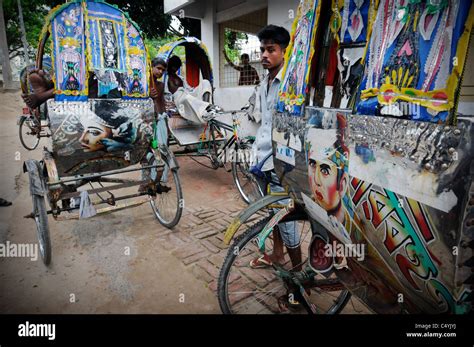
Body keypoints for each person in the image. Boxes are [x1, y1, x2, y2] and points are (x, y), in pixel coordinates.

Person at [249, 25, 303, 281]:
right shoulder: (265, 81)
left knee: (287, 221)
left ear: (284, 51)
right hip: (262, 159)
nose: (264, 55)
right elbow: (265, 123)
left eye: (271, 50)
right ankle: (276, 255)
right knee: (273, 214)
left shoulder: (292, 83)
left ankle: (298, 277)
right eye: (262, 49)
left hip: (281, 164)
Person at [166, 55, 221, 124]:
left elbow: (189, 89)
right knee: (186, 98)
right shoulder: (165, 78)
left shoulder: (180, 78)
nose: (175, 68)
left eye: (177, 66)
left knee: (205, 82)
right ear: (170, 65)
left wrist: (200, 90)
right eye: (174, 66)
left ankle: (206, 108)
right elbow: (166, 95)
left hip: (187, 94)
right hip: (179, 99)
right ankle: (205, 108)